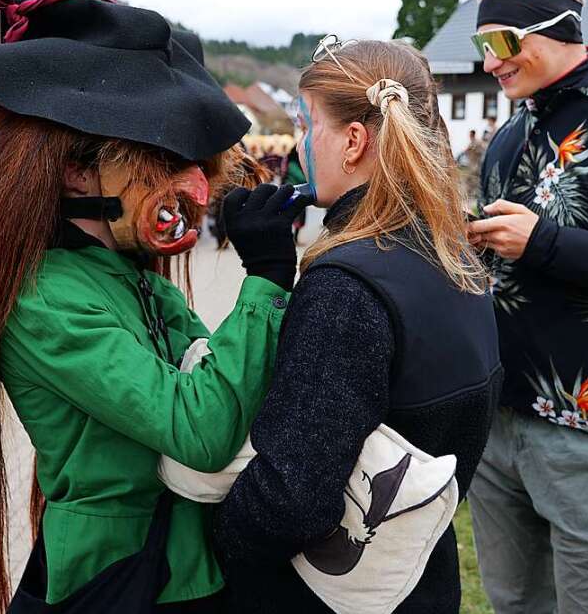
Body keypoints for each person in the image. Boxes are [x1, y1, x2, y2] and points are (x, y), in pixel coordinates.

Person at [0, 0, 308, 614]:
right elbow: (202, 427)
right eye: (156, 158)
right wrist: (266, 278)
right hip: (119, 576)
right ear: (76, 169)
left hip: (185, 560)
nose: (185, 183)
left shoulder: (132, 277)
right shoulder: (44, 297)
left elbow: (219, 380)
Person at [211, 37, 502, 613]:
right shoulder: (453, 254)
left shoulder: (348, 288)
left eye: (308, 122)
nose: (301, 142)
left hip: (331, 593)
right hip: (419, 578)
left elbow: (293, 495)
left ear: (353, 141)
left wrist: (216, 535)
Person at [466, 0, 588, 613]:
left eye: (501, 40)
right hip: (498, 428)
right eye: (481, 44)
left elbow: (548, 249)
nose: (488, 62)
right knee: (513, 605)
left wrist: (544, 243)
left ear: (555, 25)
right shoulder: (509, 136)